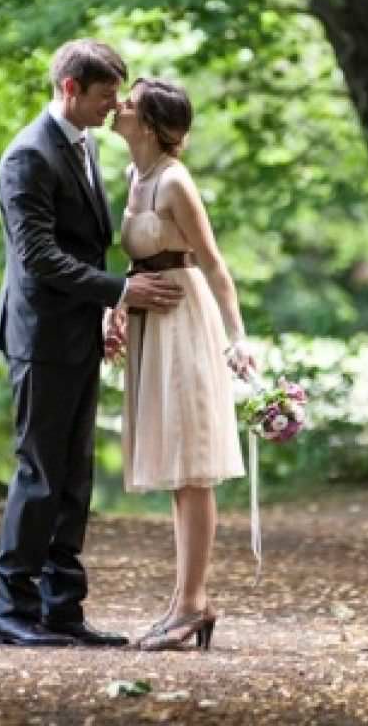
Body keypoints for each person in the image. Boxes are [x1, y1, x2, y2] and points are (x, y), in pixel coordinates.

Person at [0, 40, 184, 648]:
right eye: (104, 96)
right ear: (70, 88)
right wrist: (121, 291)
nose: (112, 108)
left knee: (74, 478)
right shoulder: (28, 156)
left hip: (78, 335)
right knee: (40, 474)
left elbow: (85, 244)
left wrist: (104, 311)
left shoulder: (85, 145)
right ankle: (10, 613)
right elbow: (40, 258)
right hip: (40, 339)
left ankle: (62, 610)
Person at [109, 77, 255, 652]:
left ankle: (192, 605)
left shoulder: (174, 182)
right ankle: (183, 601)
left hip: (186, 321)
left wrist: (238, 339)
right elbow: (138, 260)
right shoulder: (133, 177)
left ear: (146, 124)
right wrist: (118, 304)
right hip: (151, 322)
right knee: (176, 466)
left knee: (193, 466)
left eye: (129, 102)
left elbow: (215, 265)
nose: (118, 106)